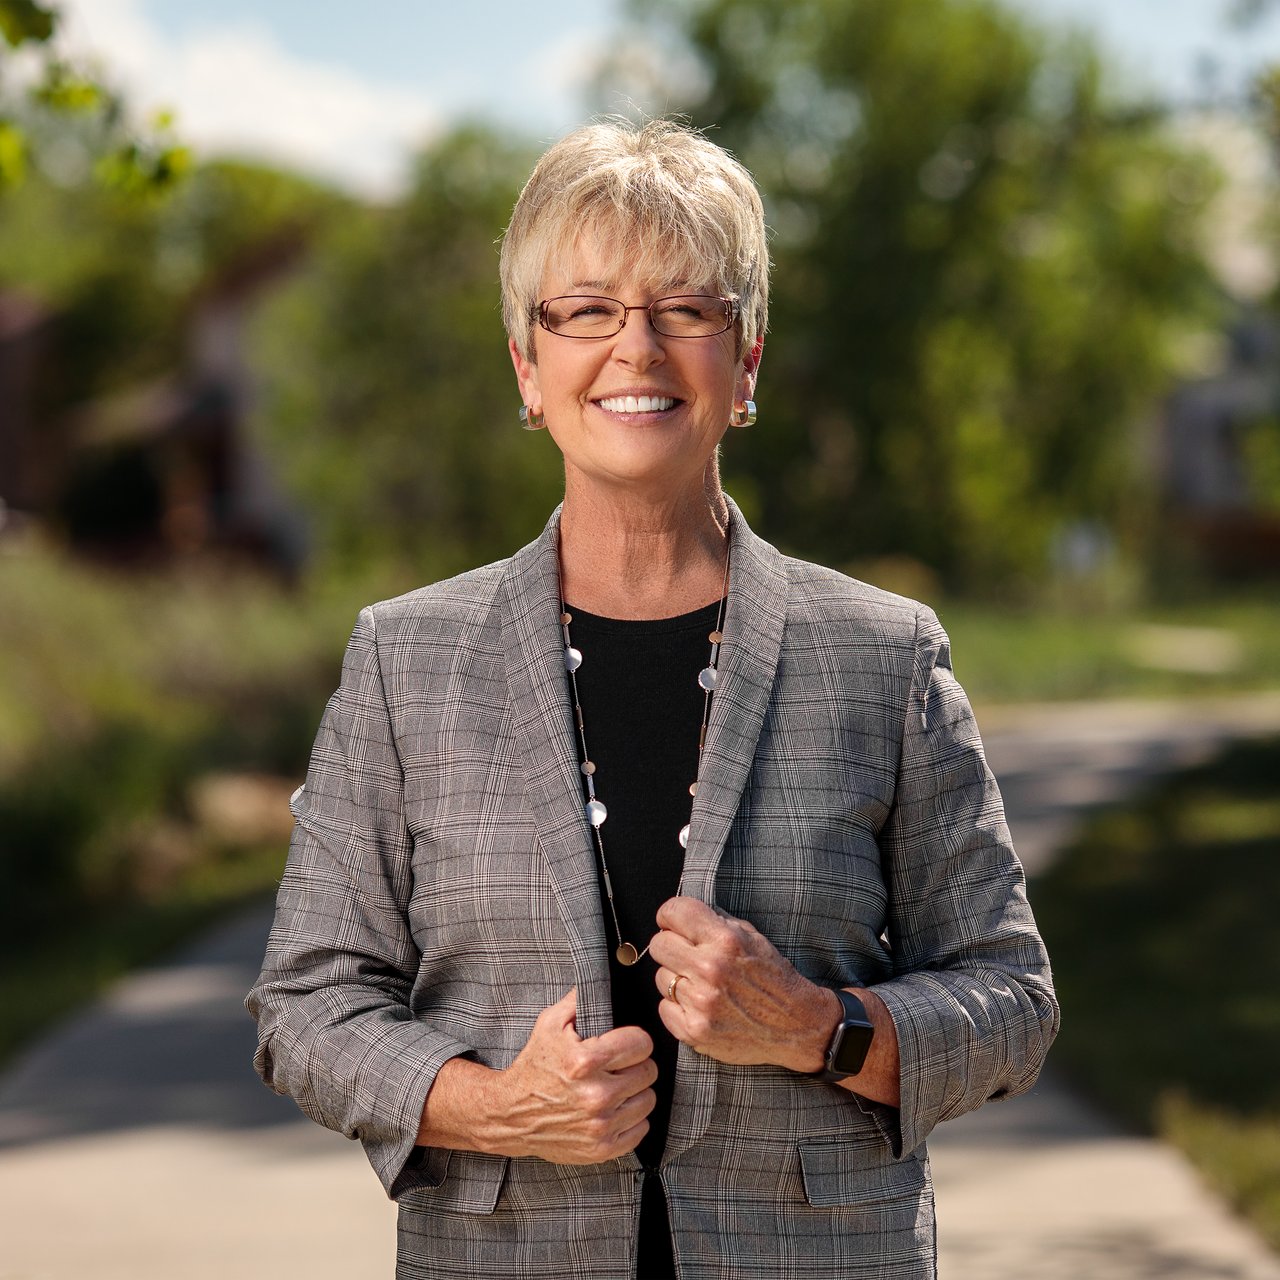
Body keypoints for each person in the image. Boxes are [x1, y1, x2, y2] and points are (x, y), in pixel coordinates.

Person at [247, 117, 1058, 1280]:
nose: (636, 347)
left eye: (686, 308)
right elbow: (305, 1006)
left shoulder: (883, 654)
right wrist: (490, 1104)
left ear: (747, 364)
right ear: (529, 369)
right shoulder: (403, 658)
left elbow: (1011, 1000)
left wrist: (817, 1028)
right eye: (584, 309)